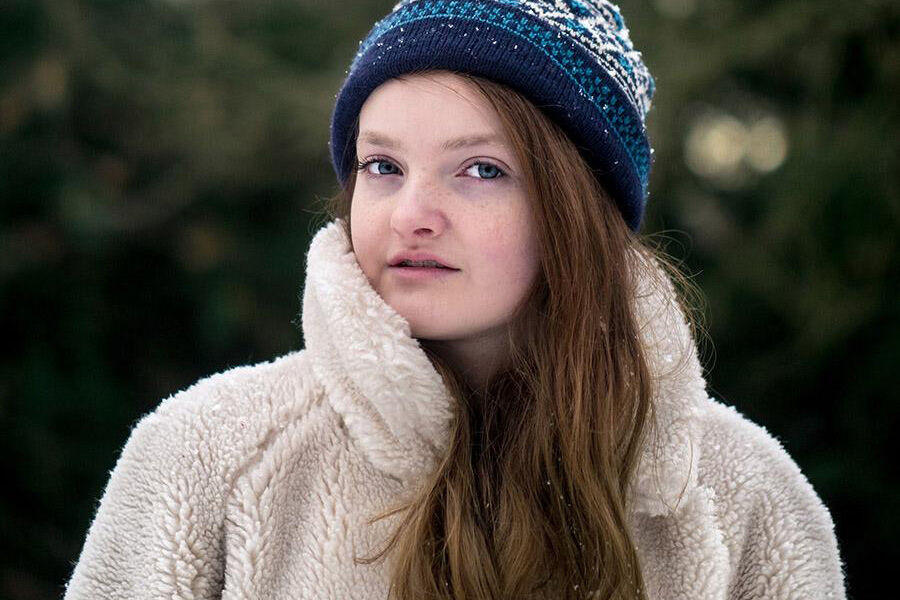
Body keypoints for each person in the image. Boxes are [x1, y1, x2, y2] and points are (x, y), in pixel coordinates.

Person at [64, 1, 846, 598]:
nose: (411, 215)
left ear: (578, 209)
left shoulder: (744, 495)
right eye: (383, 167)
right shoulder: (205, 455)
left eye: (481, 170)